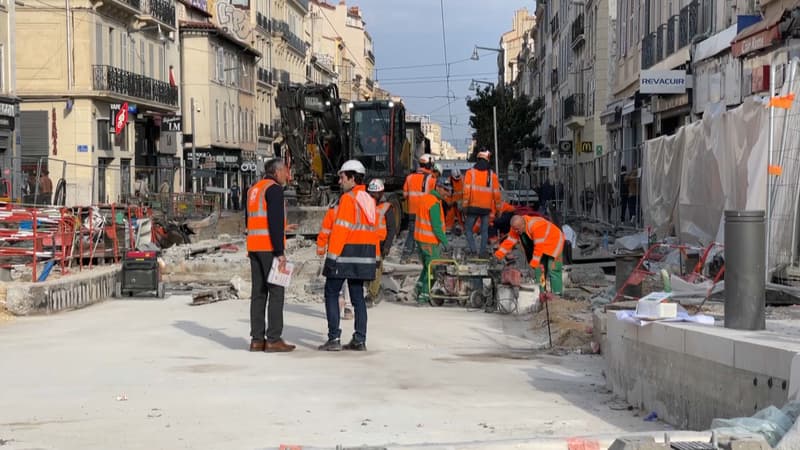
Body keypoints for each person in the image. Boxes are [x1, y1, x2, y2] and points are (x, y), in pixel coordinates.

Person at [318, 160, 379, 352]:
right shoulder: (369, 200)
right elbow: (374, 232)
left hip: (345, 256)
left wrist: (331, 258)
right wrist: (375, 259)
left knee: (331, 292)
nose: (340, 180)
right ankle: (359, 340)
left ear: (352, 178)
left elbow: (340, 230)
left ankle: (334, 338)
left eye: (342, 176)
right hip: (364, 256)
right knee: (357, 297)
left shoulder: (347, 199)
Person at [246, 159, 297, 353]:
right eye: (285, 171)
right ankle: (274, 338)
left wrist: (283, 228)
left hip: (254, 246)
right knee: (277, 290)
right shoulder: (274, 189)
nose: (287, 175)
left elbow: (253, 220)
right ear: (277, 172)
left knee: (258, 293)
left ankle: (257, 340)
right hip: (269, 247)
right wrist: (280, 253)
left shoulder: (254, 190)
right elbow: (273, 223)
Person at [494, 214, 565, 295]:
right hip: (542, 244)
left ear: (523, 224)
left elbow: (538, 248)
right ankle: (541, 292)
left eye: (517, 229)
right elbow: (509, 241)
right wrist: (497, 255)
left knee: (553, 268)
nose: (516, 232)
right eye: (515, 229)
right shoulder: (516, 226)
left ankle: (557, 294)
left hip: (554, 242)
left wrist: (533, 264)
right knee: (540, 271)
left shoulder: (536, 226)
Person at [316, 199, 354, 320]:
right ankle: (348, 306)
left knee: (336, 280)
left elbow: (324, 232)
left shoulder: (332, 212)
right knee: (349, 279)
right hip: (351, 250)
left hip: (334, 251)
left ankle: (339, 302)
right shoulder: (354, 211)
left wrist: (321, 249)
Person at [414, 178, 450, 305]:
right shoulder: (434, 203)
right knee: (433, 269)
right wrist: (445, 242)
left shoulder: (425, 199)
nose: (447, 193)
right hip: (429, 241)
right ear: (438, 187)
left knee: (426, 267)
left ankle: (417, 289)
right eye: (445, 190)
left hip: (420, 239)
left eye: (448, 190)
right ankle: (423, 296)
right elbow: (436, 227)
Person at [462, 150, 501, 257]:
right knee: (484, 231)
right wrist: (498, 210)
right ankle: (482, 251)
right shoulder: (492, 175)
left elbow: (466, 191)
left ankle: (473, 250)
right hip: (486, 209)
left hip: (473, 207)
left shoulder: (470, 173)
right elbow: (497, 194)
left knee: (468, 230)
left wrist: (465, 206)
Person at [366, 178, 397, 307]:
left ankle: (372, 294)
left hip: (380, 244)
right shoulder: (366, 206)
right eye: (370, 194)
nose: (372, 196)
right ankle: (373, 289)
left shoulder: (386, 208)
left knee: (377, 269)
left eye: (375, 194)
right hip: (367, 242)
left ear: (381, 193)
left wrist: (387, 246)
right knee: (367, 268)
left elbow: (391, 228)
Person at [402, 154, 436, 259]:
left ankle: (406, 254)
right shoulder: (431, 179)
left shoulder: (409, 177)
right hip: (425, 212)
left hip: (412, 210)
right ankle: (426, 254)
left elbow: (405, 195)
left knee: (412, 232)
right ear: (429, 165)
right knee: (425, 233)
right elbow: (433, 197)